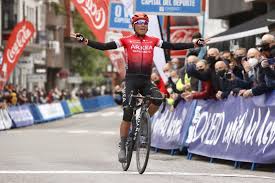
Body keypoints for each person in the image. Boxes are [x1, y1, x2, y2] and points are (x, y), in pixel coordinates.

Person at [71, 13, 207, 163]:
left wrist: (195, 44)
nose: (143, 25)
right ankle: (123, 146)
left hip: (146, 81)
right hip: (131, 81)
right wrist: (85, 40)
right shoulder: (126, 40)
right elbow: (104, 47)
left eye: (145, 23)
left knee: (158, 98)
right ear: (134, 25)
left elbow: (173, 45)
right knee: (128, 112)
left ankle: (143, 121)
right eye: (140, 22)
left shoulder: (153, 40)